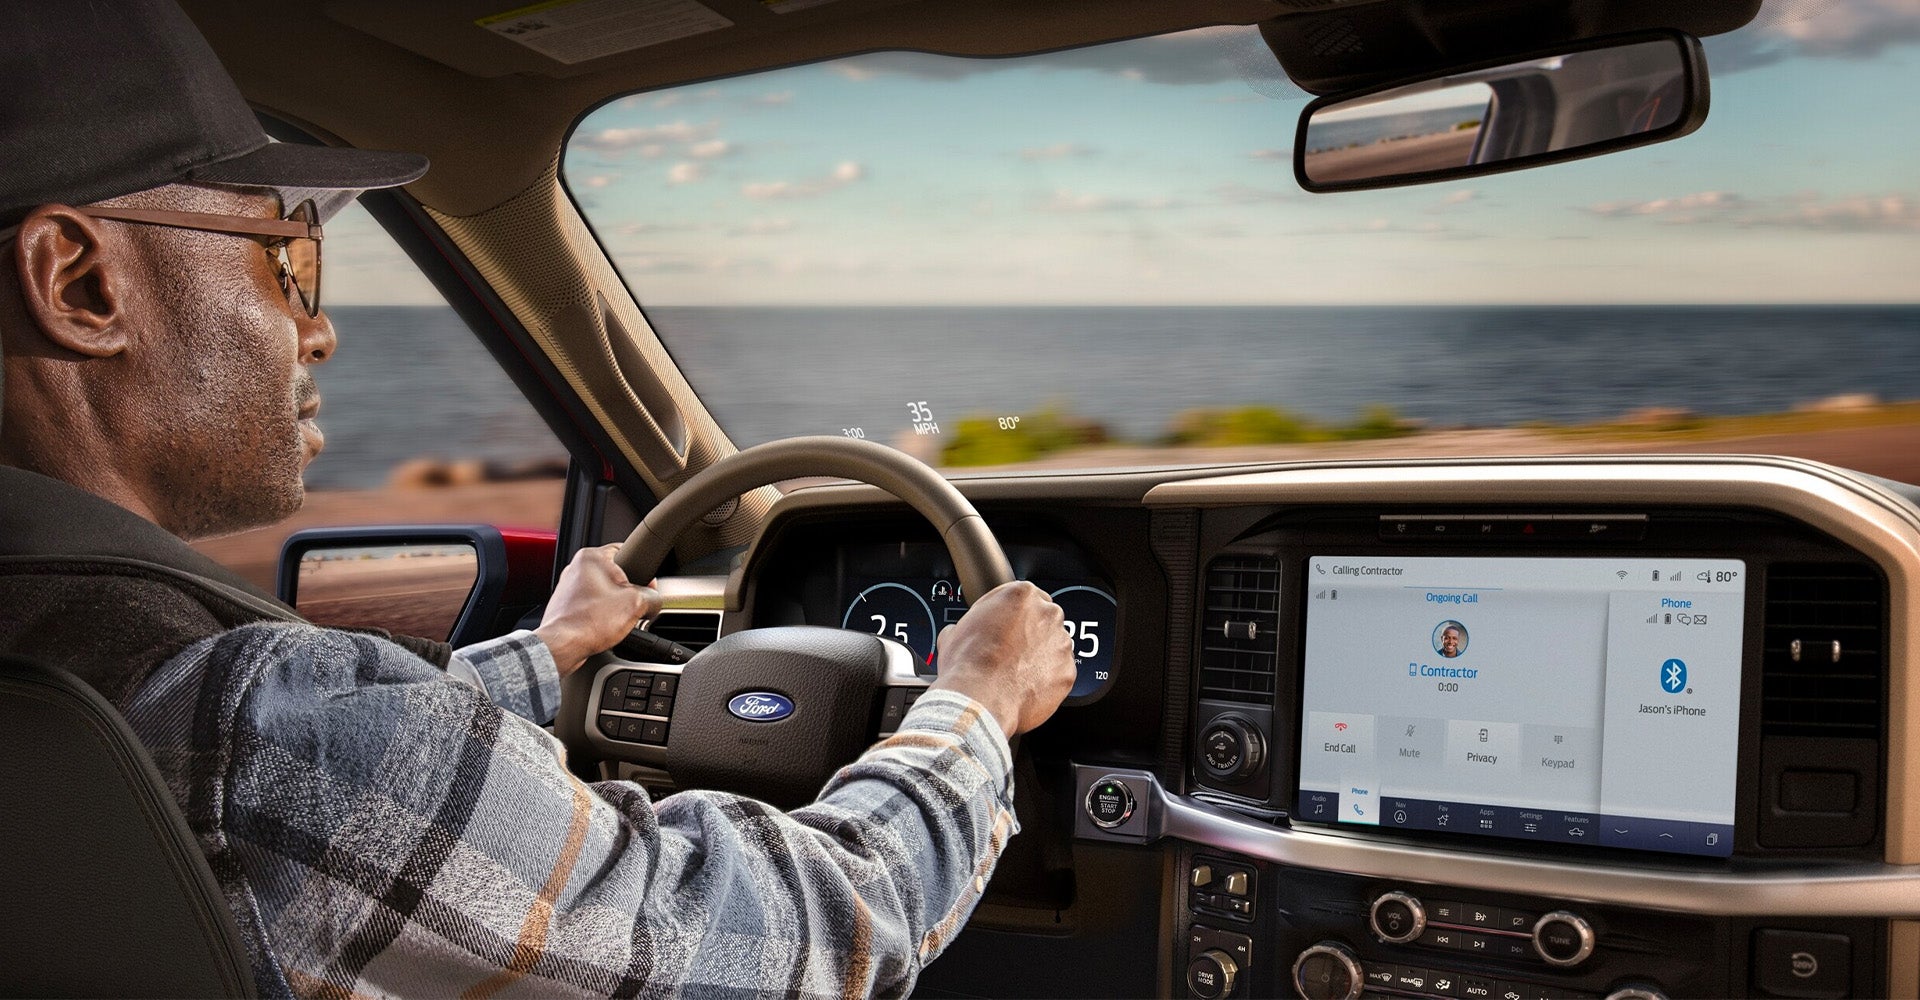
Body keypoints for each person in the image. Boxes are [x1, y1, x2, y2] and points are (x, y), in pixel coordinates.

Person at [0, 4, 1077, 998]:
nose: (317, 329)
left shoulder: (127, 688)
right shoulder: (263, 731)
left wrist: (552, 650)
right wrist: (975, 704)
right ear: (80, 284)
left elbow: (355, 772)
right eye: (288, 257)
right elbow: (815, 926)